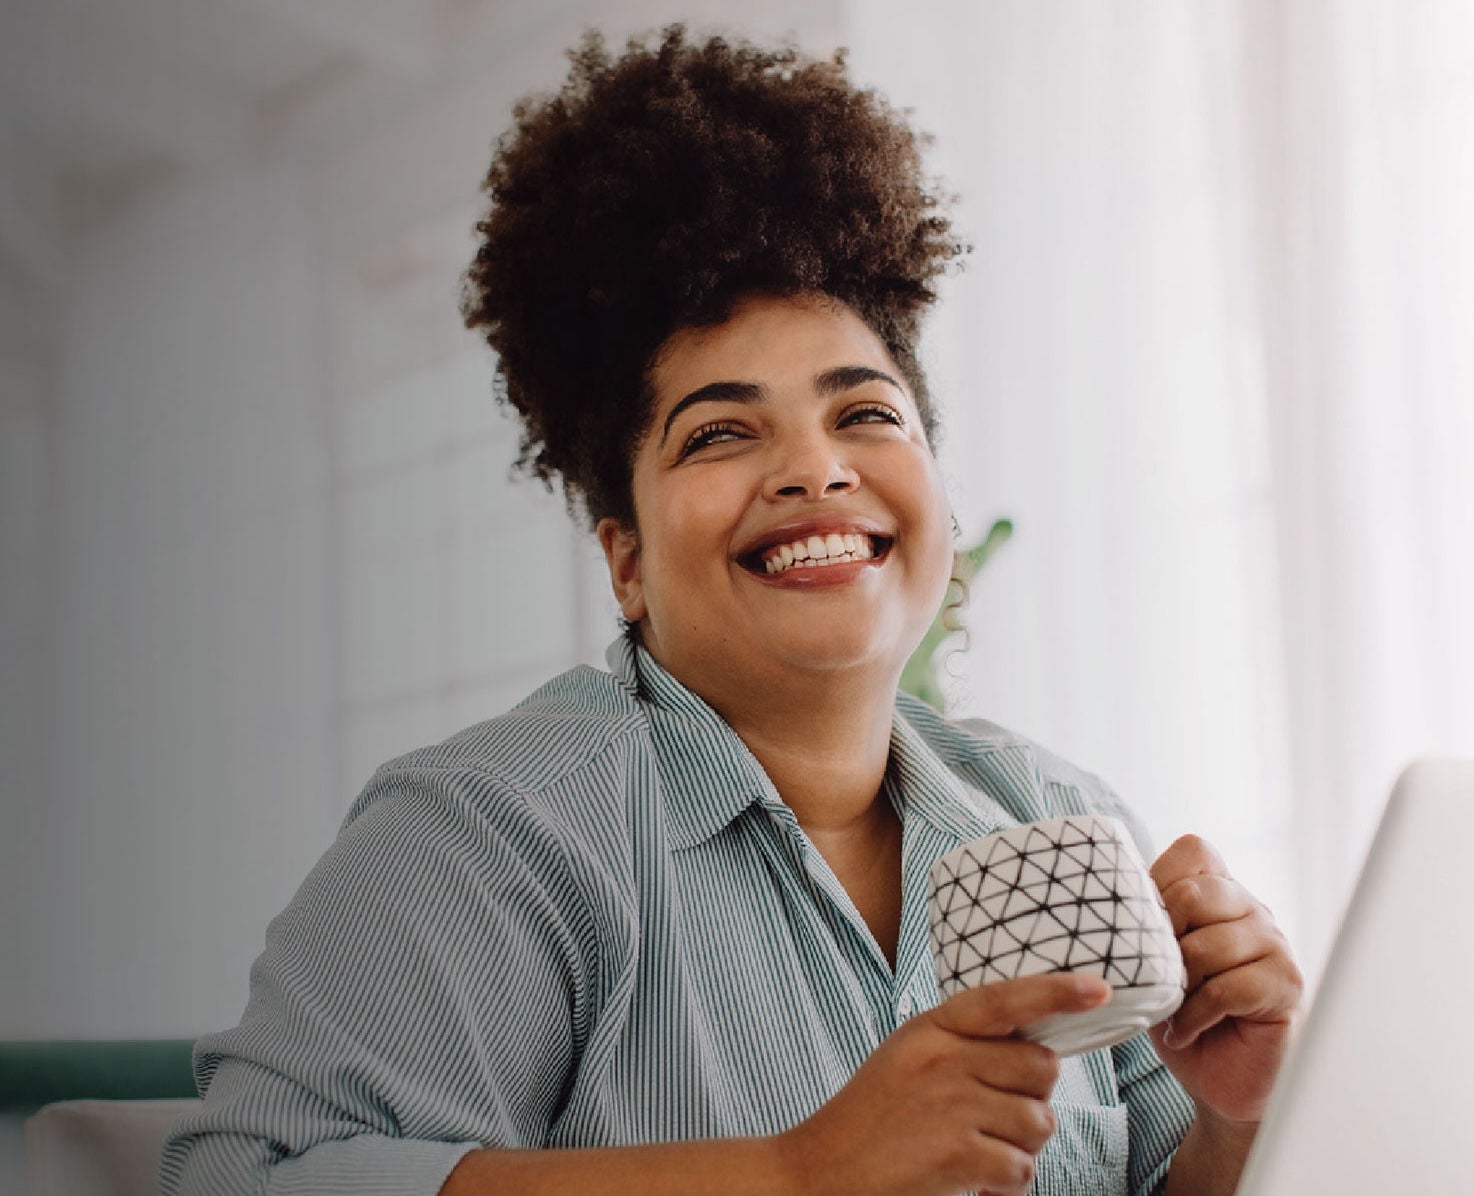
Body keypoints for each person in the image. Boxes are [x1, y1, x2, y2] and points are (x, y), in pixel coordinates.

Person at [161, 25, 1302, 1196]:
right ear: (627, 559)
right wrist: (794, 1173)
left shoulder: (1057, 816)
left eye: (865, 413)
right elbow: (244, 1178)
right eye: (719, 431)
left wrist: (1243, 1119)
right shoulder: (490, 834)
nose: (816, 469)